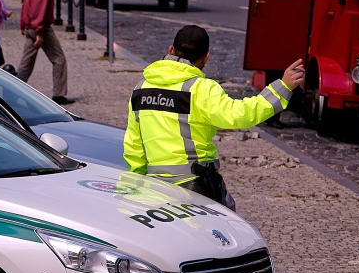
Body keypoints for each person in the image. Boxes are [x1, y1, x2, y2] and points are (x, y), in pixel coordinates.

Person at [123, 25, 305, 210]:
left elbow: (134, 147)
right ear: (206, 57)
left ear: (171, 50)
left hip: (153, 189)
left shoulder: (141, 88)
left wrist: (139, 185)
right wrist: (283, 87)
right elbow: (241, 114)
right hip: (194, 188)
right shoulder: (201, 89)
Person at [17, 0, 71, 105]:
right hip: (40, 28)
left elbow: (26, 4)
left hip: (30, 26)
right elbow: (40, 8)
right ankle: (59, 94)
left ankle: (13, 92)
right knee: (59, 59)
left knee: (26, 63)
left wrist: (24, 25)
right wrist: (40, 32)